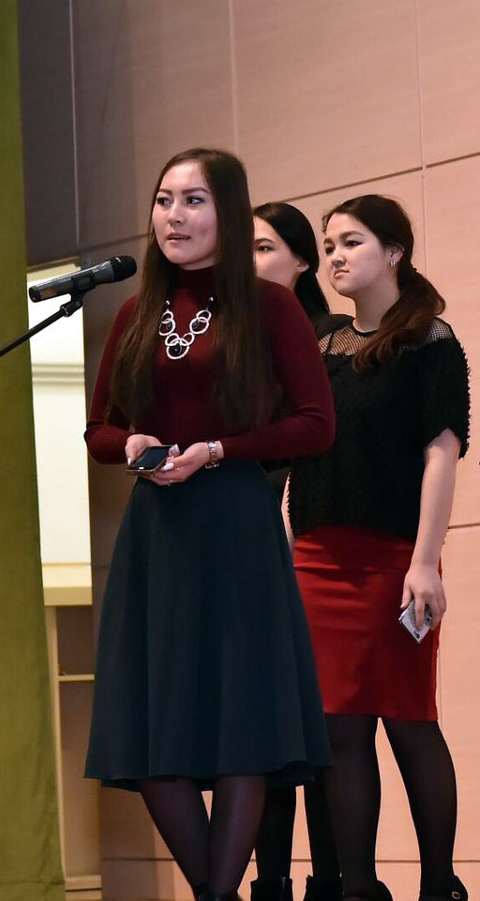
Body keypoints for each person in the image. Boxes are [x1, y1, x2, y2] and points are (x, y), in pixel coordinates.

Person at [84, 149, 336, 901]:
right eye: (164, 199)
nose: (174, 216)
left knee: (239, 732)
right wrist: (131, 443)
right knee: (153, 737)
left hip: (236, 528)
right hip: (156, 536)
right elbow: (99, 430)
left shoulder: (271, 308)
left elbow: (316, 424)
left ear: (228, 212)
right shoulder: (134, 314)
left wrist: (219, 450)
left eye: (193, 201)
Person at [286, 195, 470, 901]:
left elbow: (441, 454)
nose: (335, 256)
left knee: (409, 719)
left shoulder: (431, 340)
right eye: (330, 245)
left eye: (352, 242)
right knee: (339, 730)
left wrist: (424, 562)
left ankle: (439, 886)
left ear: (394, 252)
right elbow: (303, 453)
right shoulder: (323, 348)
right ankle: (359, 889)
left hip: (393, 560)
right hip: (316, 561)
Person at [251, 203, 347, 901]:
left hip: (308, 539)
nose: (248, 262)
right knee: (268, 727)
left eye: (263, 248)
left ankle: (331, 879)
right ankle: (272, 880)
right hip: (247, 544)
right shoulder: (233, 341)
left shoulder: (330, 339)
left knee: (320, 725)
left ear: (302, 261)